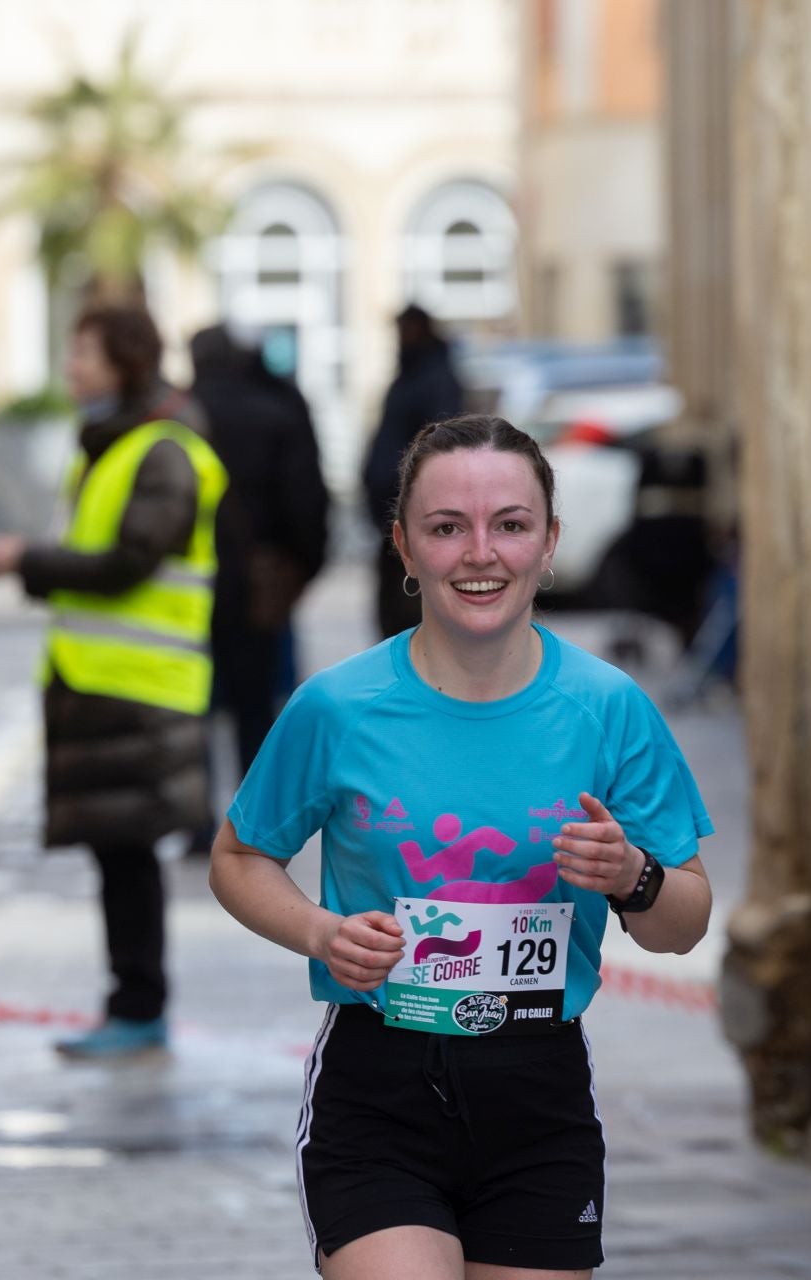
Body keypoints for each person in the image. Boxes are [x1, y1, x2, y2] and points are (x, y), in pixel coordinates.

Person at [209, 414, 714, 1278]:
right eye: (448, 528)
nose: (481, 553)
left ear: (549, 543)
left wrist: (634, 876)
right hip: (380, 1086)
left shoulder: (610, 707)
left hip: (538, 1094)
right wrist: (321, 933)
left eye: (510, 525)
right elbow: (239, 856)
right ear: (405, 548)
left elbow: (684, 923)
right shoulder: (339, 707)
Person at [0, 305, 225, 1060]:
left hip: (143, 685)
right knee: (118, 856)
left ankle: (139, 1007)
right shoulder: (110, 447)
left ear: (128, 361)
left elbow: (126, 563)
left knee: (130, 858)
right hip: (101, 681)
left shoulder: (163, 452)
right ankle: (131, 1003)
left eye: (86, 353)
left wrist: (25, 560)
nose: (72, 367)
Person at [186, 324, 330, 844]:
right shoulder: (275, 412)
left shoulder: (183, 417)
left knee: (196, 704)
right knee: (256, 704)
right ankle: (252, 822)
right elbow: (306, 499)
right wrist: (303, 568)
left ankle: (198, 821)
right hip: (259, 581)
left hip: (192, 583)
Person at [362, 304, 463, 639]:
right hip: (392, 515)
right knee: (393, 617)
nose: (399, 338)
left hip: (415, 513)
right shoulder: (406, 377)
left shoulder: (436, 379)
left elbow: (439, 446)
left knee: (411, 615)